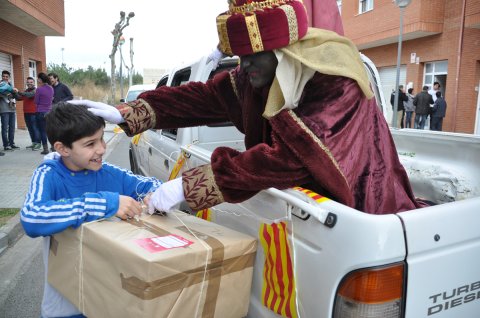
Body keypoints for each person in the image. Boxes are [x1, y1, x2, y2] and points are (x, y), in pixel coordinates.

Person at [73, 0, 426, 215]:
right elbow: (202, 98)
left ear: (283, 53)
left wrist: (187, 187)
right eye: (238, 58)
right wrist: (126, 112)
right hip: (304, 209)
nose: (243, 67)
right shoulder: (257, 76)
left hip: (360, 202)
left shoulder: (336, 83)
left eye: (250, 57)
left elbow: (291, 158)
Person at [20, 102, 161, 318]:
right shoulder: (49, 174)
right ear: (62, 148)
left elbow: (150, 185)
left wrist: (155, 196)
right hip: (64, 305)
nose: (102, 148)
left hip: (110, 298)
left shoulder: (108, 172)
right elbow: (32, 217)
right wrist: (105, 203)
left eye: (102, 138)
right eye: (90, 144)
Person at [17, 76, 42, 150]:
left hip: (34, 113)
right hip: (26, 112)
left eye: (31, 82)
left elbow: (30, 95)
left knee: (35, 128)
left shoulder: (36, 90)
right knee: (30, 128)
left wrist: (18, 91)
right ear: (26, 83)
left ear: (34, 83)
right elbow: (18, 98)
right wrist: (13, 92)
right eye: (28, 82)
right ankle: (34, 143)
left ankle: (38, 144)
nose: (29, 83)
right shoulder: (26, 91)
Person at [35, 72, 54, 154]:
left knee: (43, 131)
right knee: (50, 130)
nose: (37, 79)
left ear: (40, 79)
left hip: (41, 112)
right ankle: (53, 147)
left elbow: (36, 101)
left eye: (38, 78)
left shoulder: (39, 89)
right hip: (49, 111)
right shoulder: (51, 88)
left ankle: (45, 149)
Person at [0, 70, 20, 151]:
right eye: (3, 76)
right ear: (1, 77)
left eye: (6, 77)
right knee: (5, 128)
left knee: (12, 128)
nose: (5, 78)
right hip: (4, 109)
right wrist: (10, 91)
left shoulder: (11, 85)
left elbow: (16, 96)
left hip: (12, 108)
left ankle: (12, 143)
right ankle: (6, 145)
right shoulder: (0, 85)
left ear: (9, 78)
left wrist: (13, 92)